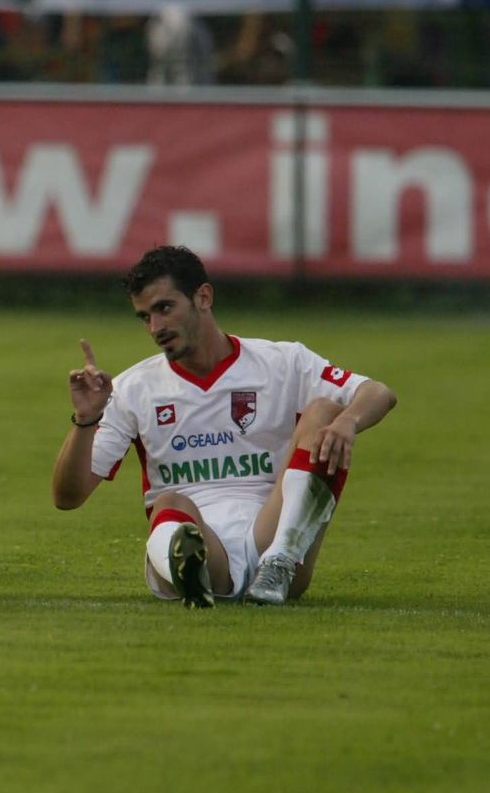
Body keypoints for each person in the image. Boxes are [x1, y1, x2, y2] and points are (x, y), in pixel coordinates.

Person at [51, 246, 396, 607]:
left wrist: (348, 422)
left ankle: (280, 559)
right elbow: (67, 497)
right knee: (170, 502)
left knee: (326, 411)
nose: (155, 328)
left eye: (164, 308)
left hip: (271, 534)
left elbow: (378, 392)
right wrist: (86, 419)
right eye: (145, 316)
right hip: (199, 534)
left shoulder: (282, 362)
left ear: (203, 296)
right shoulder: (131, 389)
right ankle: (188, 569)